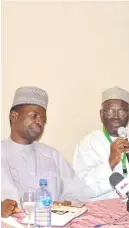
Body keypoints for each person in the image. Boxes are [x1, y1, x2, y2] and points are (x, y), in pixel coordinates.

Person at [1, 86, 88, 218]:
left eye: (43, 119)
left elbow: (77, 193)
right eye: (34, 115)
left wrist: (68, 204)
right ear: (14, 116)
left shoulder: (52, 155)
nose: (39, 122)